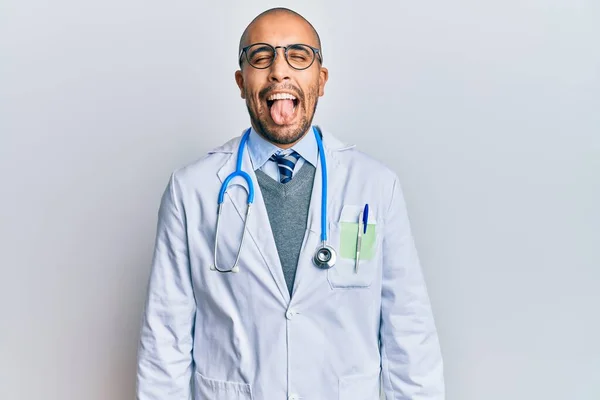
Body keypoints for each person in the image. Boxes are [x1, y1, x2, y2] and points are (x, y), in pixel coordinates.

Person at [136, 7, 445, 400]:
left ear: (322, 79)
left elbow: (409, 334)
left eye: (298, 56)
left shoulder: (375, 186)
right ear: (241, 81)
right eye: (261, 57)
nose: (279, 71)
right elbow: (165, 341)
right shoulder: (191, 190)